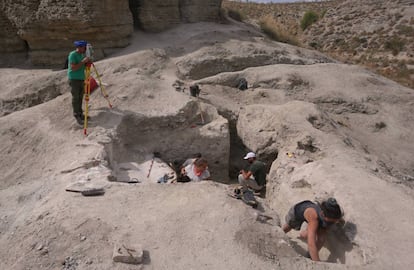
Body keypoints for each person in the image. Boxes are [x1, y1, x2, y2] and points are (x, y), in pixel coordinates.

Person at [67, 40, 90, 125]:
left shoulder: (81, 55)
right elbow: (73, 68)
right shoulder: (73, 55)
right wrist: (83, 62)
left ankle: (80, 113)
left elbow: (82, 66)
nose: (85, 49)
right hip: (74, 79)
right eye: (84, 47)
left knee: (80, 97)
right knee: (76, 97)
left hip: (81, 78)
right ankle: (76, 114)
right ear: (80, 47)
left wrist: (87, 63)